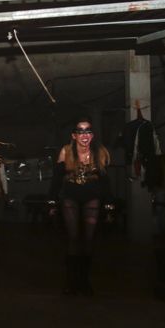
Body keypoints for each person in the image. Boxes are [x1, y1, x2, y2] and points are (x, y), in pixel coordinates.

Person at [51, 118, 110, 296]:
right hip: (71, 197)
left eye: (88, 131)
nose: (85, 135)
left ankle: (84, 281)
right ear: (74, 135)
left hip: (92, 196)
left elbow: (105, 181)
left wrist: (109, 202)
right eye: (81, 132)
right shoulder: (66, 151)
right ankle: (71, 282)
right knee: (74, 237)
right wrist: (51, 200)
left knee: (89, 239)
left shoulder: (100, 152)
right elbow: (56, 179)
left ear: (92, 135)